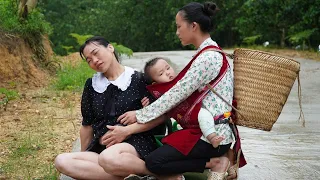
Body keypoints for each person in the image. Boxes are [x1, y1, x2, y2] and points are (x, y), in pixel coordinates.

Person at [113, 2, 247, 180]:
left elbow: (176, 94)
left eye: (178, 26)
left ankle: (216, 162)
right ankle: (222, 157)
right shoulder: (208, 53)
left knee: (155, 162)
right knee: (160, 158)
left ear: (193, 26)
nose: (177, 32)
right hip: (211, 131)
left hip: (211, 134)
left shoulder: (208, 58)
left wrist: (140, 114)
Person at [54, 36, 168, 180]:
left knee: (109, 158)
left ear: (110, 48)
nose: (94, 60)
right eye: (89, 60)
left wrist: (128, 128)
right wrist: (84, 154)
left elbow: (162, 115)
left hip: (135, 146)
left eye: (96, 53)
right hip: (101, 148)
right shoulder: (91, 85)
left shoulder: (139, 79)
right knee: (62, 161)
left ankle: (159, 174)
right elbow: (87, 126)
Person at [142, 57, 226, 148]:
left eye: (168, 68)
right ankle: (212, 137)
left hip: (197, 108)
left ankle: (213, 135)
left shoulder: (183, 80)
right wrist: (147, 105)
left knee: (206, 112)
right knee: (203, 115)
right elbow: (156, 108)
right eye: (161, 73)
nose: (168, 72)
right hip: (188, 116)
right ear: (155, 84)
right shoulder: (158, 93)